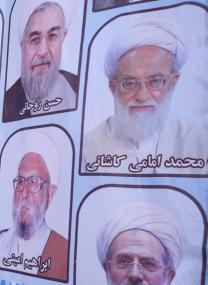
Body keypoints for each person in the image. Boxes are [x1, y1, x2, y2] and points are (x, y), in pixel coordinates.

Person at [82, 19, 207, 174]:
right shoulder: (88, 149)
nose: (142, 96)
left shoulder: (199, 141)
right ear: (113, 87)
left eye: (155, 81)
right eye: (129, 83)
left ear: (173, 83)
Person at [0, 134, 68, 281]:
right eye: (20, 181)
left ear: (50, 194)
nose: (24, 194)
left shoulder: (64, 252)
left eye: (34, 182)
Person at [4, 0, 78, 121]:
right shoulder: (5, 105)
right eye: (34, 39)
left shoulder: (79, 86)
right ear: (22, 44)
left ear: (63, 36)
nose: (43, 51)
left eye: (53, 36)